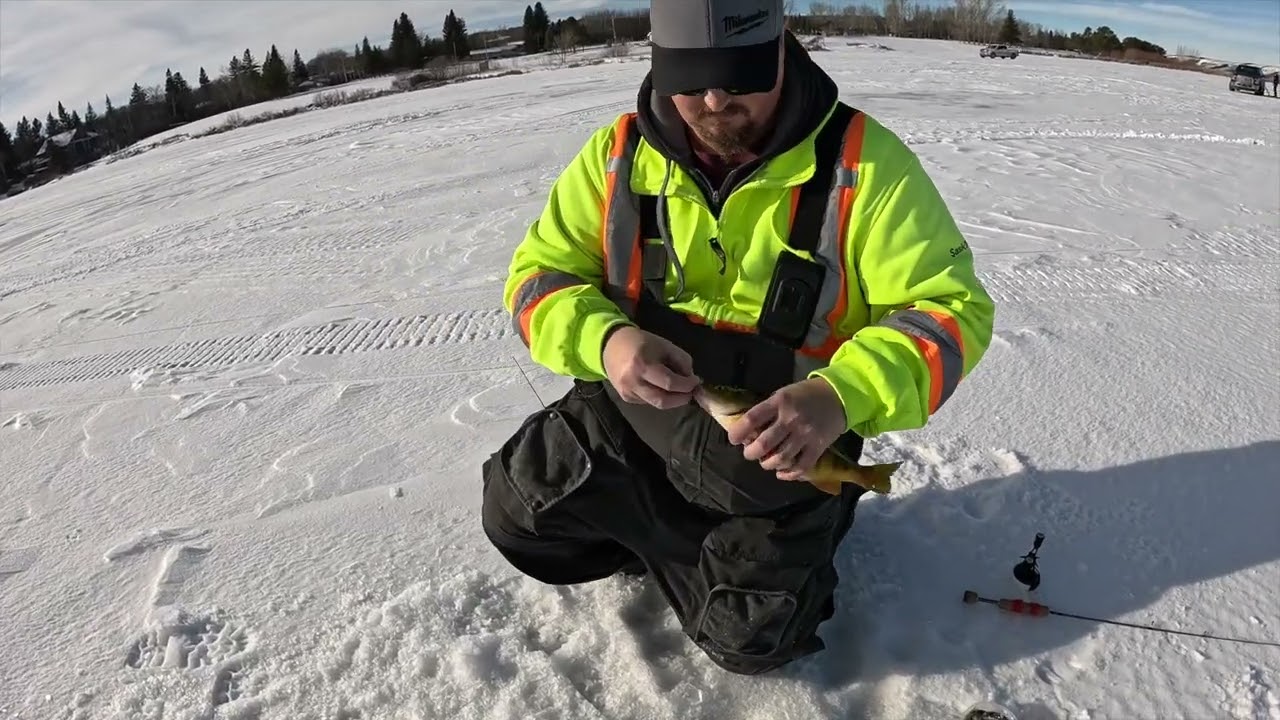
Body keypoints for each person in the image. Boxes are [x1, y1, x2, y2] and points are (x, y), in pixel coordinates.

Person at [482, 0, 996, 675]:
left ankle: (806, 524)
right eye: (691, 80)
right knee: (519, 517)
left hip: (787, 452)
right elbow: (536, 278)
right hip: (636, 418)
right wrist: (607, 342)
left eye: (739, 75)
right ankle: (677, 542)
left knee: (749, 645)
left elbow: (951, 313)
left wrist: (839, 396)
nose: (715, 100)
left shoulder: (867, 166)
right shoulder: (615, 156)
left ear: (782, 47)